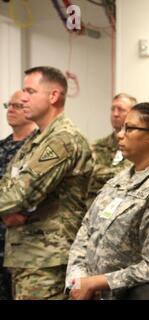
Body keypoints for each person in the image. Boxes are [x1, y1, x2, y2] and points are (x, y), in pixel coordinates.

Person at [66, 102, 149, 300]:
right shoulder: (120, 179)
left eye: (130, 128)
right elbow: (86, 231)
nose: (120, 134)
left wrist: (98, 282)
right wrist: (78, 277)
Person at [0, 66, 93, 300]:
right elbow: (7, 186)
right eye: (23, 90)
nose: (23, 98)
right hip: (28, 255)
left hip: (48, 259)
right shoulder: (37, 140)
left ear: (53, 96)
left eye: (30, 91)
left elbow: (20, 194)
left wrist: (11, 204)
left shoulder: (62, 139)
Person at [0, 91, 36, 300]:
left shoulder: (39, 146)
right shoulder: (3, 146)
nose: (11, 110)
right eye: (8, 105)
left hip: (26, 238)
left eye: (17, 106)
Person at [86, 93, 136, 208]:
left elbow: (132, 175)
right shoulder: (96, 145)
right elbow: (88, 172)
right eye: (112, 109)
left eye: (121, 110)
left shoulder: (138, 148)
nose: (115, 114)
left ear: (133, 114)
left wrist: (99, 174)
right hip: (93, 207)